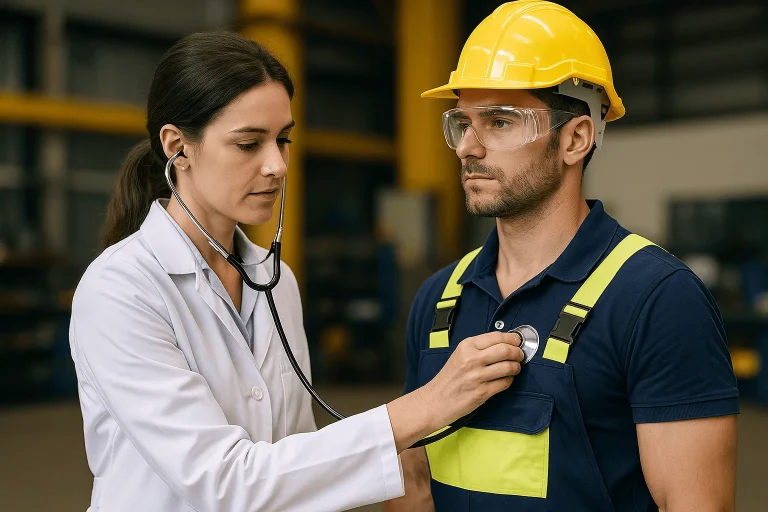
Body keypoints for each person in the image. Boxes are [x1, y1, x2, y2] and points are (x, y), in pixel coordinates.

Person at [68, 31, 526, 512]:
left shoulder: (277, 281)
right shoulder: (121, 289)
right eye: (249, 143)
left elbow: (294, 467)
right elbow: (223, 483)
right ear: (177, 147)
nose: (277, 165)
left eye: (282, 140)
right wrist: (427, 406)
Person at [385, 2, 739, 511]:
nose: (467, 148)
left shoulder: (656, 298)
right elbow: (414, 484)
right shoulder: (439, 297)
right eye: (462, 122)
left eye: (500, 122)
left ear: (575, 139)